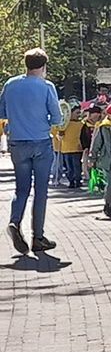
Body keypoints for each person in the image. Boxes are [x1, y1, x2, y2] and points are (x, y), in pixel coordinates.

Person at [0, 48, 64, 253]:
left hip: (18, 142)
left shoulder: (11, 84)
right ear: (44, 66)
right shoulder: (46, 86)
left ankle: (15, 221)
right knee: (41, 190)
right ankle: (38, 236)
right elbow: (56, 117)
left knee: (21, 189)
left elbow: (2, 111)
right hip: (41, 141)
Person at [56, 103, 85, 190]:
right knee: (69, 167)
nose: (78, 115)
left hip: (77, 148)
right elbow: (59, 136)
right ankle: (71, 181)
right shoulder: (65, 124)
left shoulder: (81, 124)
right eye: (77, 113)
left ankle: (78, 180)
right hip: (66, 149)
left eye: (79, 113)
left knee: (77, 166)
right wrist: (60, 134)